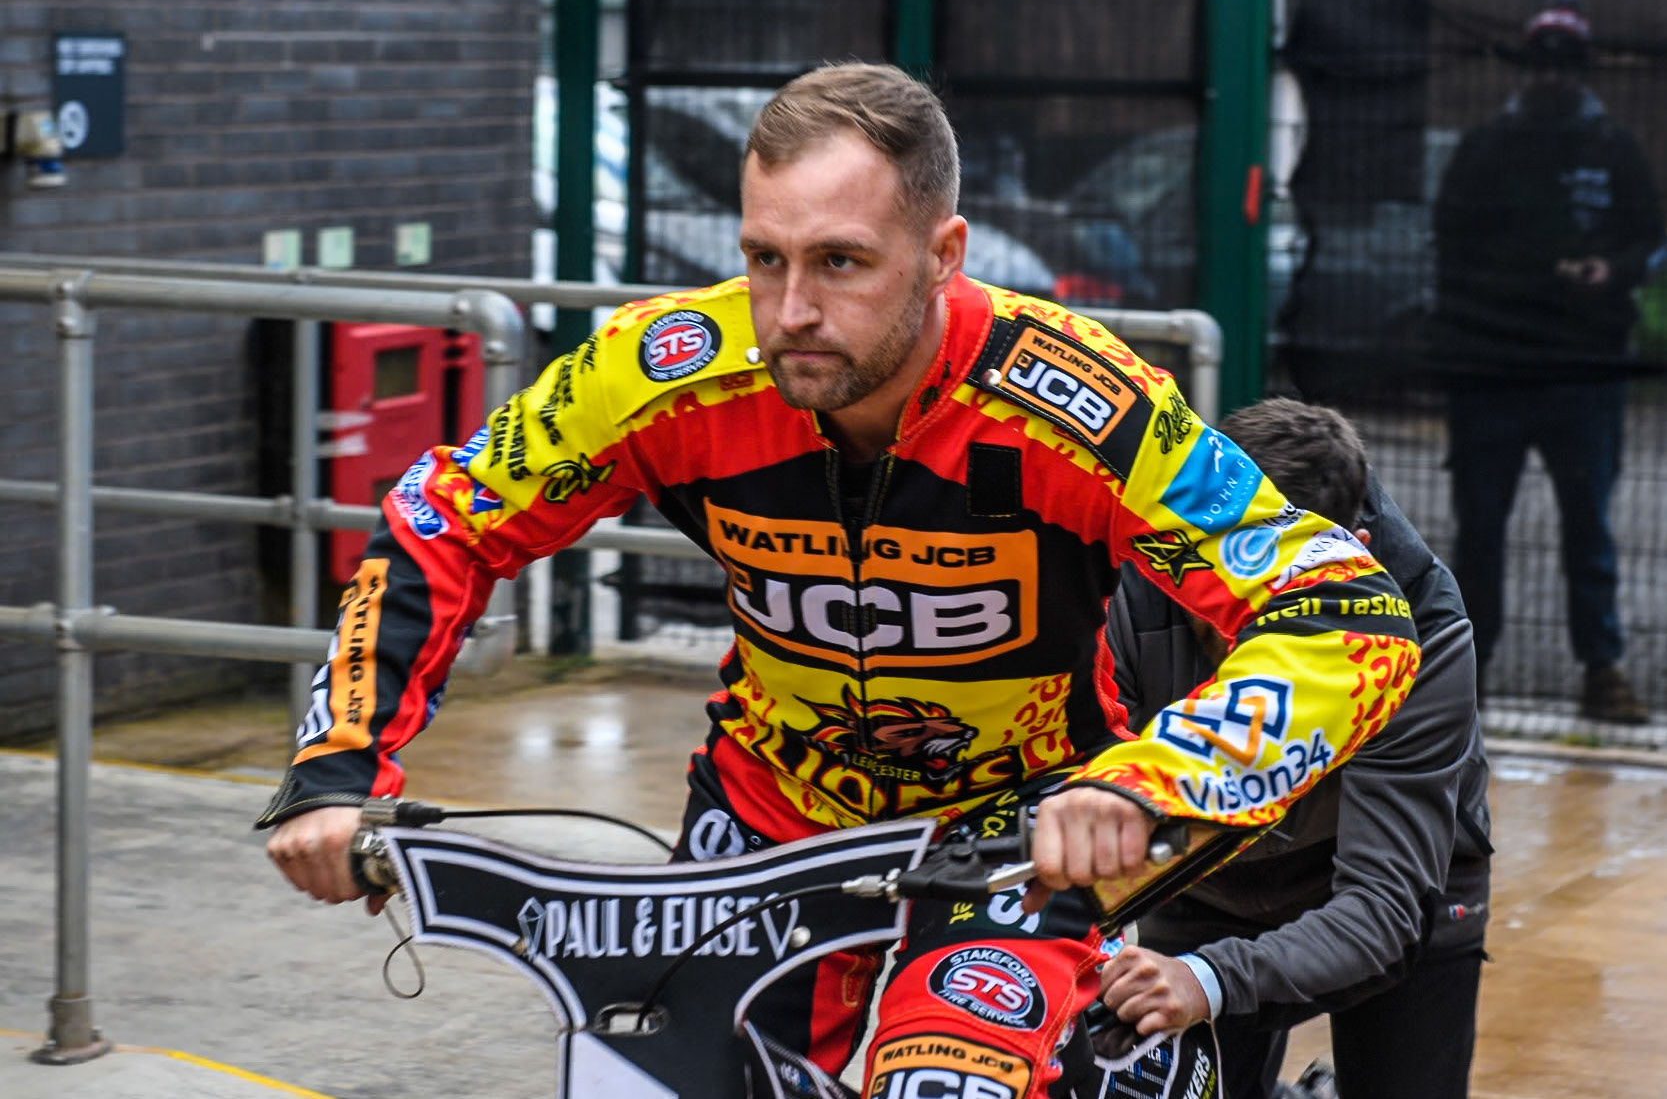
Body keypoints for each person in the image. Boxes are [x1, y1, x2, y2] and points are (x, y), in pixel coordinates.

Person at [258, 64, 1419, 1098]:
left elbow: (1348, 616)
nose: (791, 311)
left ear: (943, 255)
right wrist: (335, 765)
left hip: (1008, 839)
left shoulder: (1083, 406)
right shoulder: (664, 369)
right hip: (767, 817)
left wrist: (1150, 784)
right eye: (763, 258)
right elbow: (442, 519)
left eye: (840, 263)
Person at [1099, 399, 1491, 1099]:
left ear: (1355, 554)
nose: (1237, 614)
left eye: (1273, 586)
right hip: (1203, 871)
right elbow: (1081, 797)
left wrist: (1211, 978)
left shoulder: (1421, 627)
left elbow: (1381, 906)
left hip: (1392, 890)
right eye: (1219, 572)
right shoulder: (1141, 573)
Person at [1431, 0, 1662, 722]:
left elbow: (1647, 238)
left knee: (1587, 522)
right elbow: (1450, 246)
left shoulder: (1613, 149)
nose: (1551, 78)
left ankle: (1601, 668)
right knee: (1480, 528)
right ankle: (1469, 671)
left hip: (1584, 370)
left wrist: (1609, 271)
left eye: (1565, 66)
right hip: (1492, 369)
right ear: (1523, 69)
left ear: (1582, 71)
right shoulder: (1486, 149)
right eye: (1540, 64)